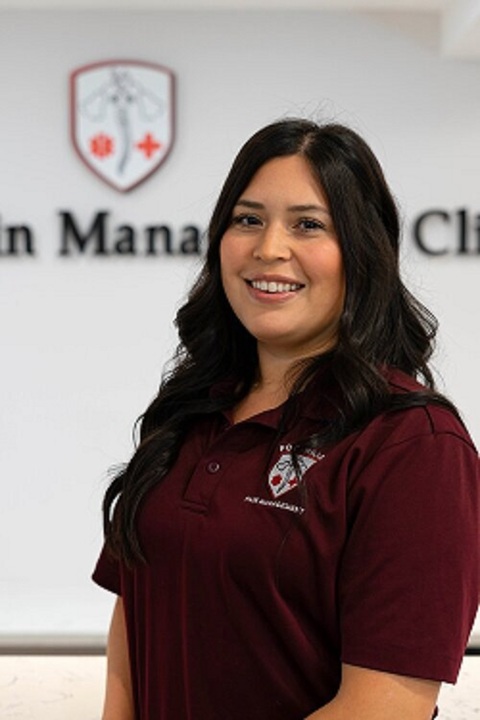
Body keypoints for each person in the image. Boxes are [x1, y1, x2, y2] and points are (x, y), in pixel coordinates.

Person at [93, 118, 479, 720]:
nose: (269, 248)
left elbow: (383, 707)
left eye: (308, 225)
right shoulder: (189, 411)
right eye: (248, 220)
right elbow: (135, 607)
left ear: (363, 250)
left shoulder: (413, 445)